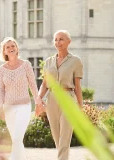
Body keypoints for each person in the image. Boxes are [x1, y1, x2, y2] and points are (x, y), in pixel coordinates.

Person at [37, 30, 84, 160]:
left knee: (65, 136)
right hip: (51, 98)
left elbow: (78, 86)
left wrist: (80, 106)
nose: (58, 42)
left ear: (69, 42)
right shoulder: (48, 61)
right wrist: (39, 98)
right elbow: (45, 84)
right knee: (56, 135)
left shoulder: (75, 61)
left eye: (61, 39)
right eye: (56, 39)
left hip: (68, 97)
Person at [0, 37, 44, 160]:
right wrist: (0, 107)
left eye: (13, 46)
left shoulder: (26, 65)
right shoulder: (2, 69)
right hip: (8, 108)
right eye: (8, 47)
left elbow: (33, 85)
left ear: (17, 49)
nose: (11, 48)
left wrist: (38, 103)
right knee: (16, 140)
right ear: (4, 51)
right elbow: (1, 89)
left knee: (17, 138)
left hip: (24, 106)